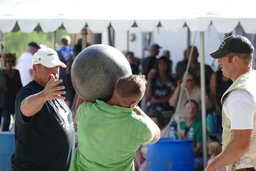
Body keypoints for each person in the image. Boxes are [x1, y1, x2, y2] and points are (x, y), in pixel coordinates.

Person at [69, 74, 160, 171]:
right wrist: (136, 108)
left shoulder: (87, 111)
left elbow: (81, 102)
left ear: (114, 88)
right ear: (133, 103)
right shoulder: (140, 126)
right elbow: (156, 136)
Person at [11, 48, 75, 171]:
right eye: (50, 66)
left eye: (57, 66)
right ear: (35, 68)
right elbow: (25, 109)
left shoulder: (53, 93)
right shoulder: (30, 92)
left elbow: (66, 125)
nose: (55, 71)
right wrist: (43, 96)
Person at [205, 35, 256, 171]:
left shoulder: (239, 95)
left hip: (247, 167)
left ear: (235, 59)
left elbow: (241, 144)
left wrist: (211, 167)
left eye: (222, 57)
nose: (219, 61)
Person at [176, 100, 203, 171]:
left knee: (183, 167)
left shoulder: (200, 125)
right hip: (180, 156)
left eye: (194, 108)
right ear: (184, 110)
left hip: (196, 157)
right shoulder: (180, 124)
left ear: (197, 111)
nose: (191, 111)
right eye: (188, 108)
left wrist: (186, 157)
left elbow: (199, 148)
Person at [2, 53, 22, 131]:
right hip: (5, 99)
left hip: (15, 98)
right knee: (6, 121)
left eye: (12, 61)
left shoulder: (16, 72)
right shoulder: (2, 73)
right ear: (5, 62)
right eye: (8, 61)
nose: (10, 63)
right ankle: (3, 139)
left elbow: (20, 85)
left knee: (18, 121)